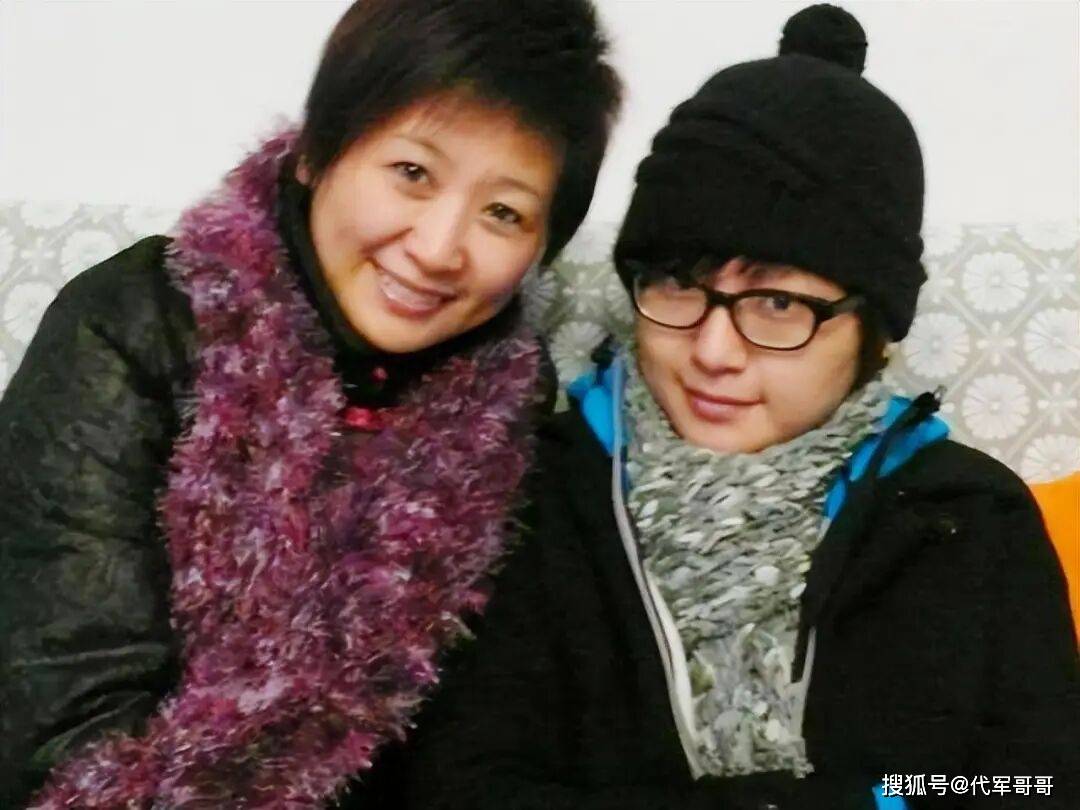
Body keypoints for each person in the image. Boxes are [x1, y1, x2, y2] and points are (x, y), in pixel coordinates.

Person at [396, 6, 1080, 809]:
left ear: (872, 331)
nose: (714, 350)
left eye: (779, 305)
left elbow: (1037, 783)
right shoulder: (529, 499)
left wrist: (874, 799)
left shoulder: (966, 516)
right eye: (679, 285)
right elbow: (460, 788)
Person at [0, 1, 620, 806]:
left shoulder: (511, 414)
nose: (438, 249)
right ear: (318, 153)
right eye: (412, 173)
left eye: (503, 213)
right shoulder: (136, 324)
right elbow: (63, 729)